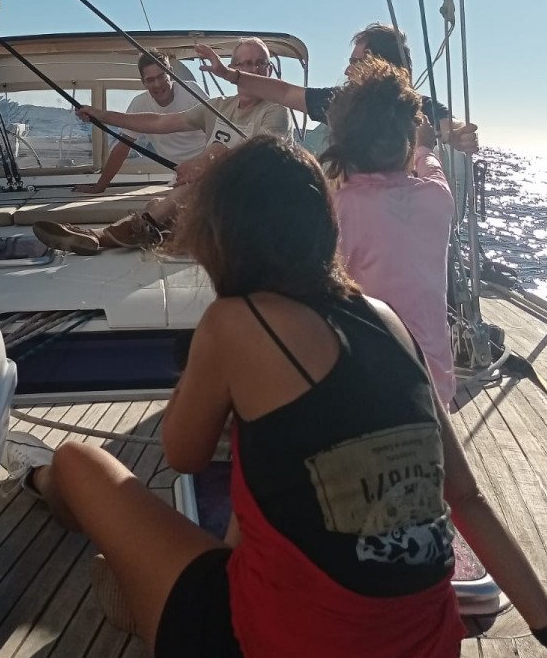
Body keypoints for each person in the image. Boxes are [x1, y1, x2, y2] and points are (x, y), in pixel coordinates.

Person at [3, 137, 547, 658]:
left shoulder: (236, 321)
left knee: (81, 462)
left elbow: (181, 455)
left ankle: (41, 480)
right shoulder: (385, 318)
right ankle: (144, 593)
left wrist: (217, 378)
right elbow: (467, 498)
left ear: (221, 234)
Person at [33, 38, 292, 254]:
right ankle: (156, 234)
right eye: (246, 63)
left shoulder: (275, 111)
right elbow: (159, 122)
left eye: (260, 63)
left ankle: (101, 237)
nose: (254, 70)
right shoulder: (220, 106)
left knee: (201, 176)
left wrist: (205, 162)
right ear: (233, 68)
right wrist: (102, 115)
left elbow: (261, 154)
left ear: (269, 70)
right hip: (216, 203)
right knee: (158, 203)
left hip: (251, 205)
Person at [321, 57, 457, 406]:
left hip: (372, 393)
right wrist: (425, 145)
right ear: (406, 140)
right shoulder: (438, 197)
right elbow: (429, 164)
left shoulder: (340, 209)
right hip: (435, 390)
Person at [196, 23, 479, 153]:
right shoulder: (342, 102)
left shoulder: (416, 106)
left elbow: (448, 124)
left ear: (380, 67)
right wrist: (229, 74)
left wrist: (458, 133)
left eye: (355, 63)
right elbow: (283, 92)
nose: (346, 71)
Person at [72, 51, 205, 195]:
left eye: (161, 76)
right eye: (150, 80)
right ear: (143, 82)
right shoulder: (139, 104)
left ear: (171, 73)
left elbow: (218, 132)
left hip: (209, 166)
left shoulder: (192, 91)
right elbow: (122, 147)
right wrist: (99, 187)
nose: (157, 84)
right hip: (182, 175)